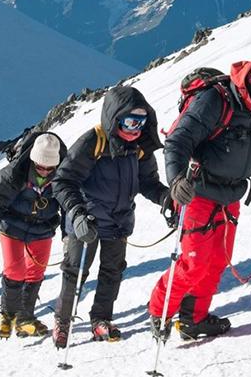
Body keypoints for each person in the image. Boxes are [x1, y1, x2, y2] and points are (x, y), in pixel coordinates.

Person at [148, 58, 251, 340]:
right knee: (193, 262)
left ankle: (194, 319)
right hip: (196, 192)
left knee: (216, 262)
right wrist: (176, 181)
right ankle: (160, 311)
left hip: (231, 195)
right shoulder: (215, 100)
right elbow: (177, 141)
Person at [51, 86, 170, 348]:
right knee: (75, 272)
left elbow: (148, 182)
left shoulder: (139, 147)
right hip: (86, 222)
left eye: (142, 121)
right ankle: (63, 321)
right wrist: (78, 213)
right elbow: (63, 181)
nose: (136, 127)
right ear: (115, 118)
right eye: (130, 120)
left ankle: (101, 319)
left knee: (112, 272)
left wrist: (166, 198)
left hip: (118, 221)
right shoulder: (93, 142)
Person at [0, 133, 68, 339]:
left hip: (43, 227)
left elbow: (69, 206)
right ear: (32, 159)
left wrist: (68, 234)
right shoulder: (14, 173)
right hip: (12, 225)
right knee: (15, 271)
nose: (45, 171)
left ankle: (24, 318)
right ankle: (7, 316)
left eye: (50, 168)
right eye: (40, 166)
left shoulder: (64, 175)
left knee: (36, 272)